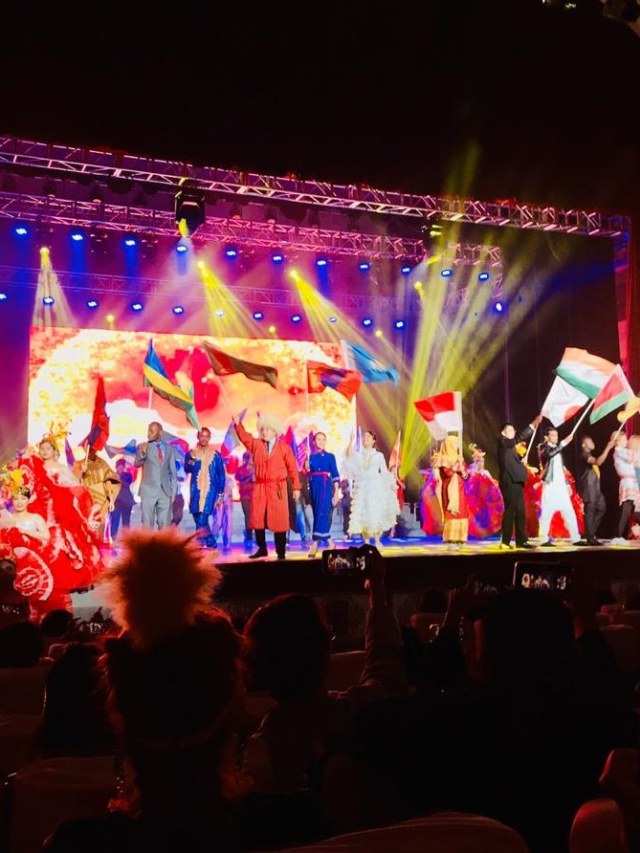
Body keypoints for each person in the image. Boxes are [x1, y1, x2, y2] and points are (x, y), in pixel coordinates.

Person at [232, 413, 301, 560]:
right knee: (258, 518)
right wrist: (238, 425)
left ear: (275, 431)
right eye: (262, 429)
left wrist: (296, 487)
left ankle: (281, 552)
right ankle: (262, 548)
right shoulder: (256, 444)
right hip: (260, 486)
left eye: (267, 429)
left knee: (279, 520)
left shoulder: (284, 448)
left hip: (277, 488)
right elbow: (245, 438)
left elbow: (293, 468)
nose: (264, 432)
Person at [344, 430, 399, 549]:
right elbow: (349, 456)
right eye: (364, 437)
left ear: (374, 440)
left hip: (375, 486)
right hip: (362, 486)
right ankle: (367, 541)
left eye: (368, 437)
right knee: (364, 513)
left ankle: (378, 540)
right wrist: (351, 440)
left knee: (375, 512)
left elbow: (384, 471)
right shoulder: (359, 455)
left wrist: (391, 483)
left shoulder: (379, 455)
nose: (366, 438)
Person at [496, 414, 543, 549]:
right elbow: (519, 438)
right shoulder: (503, 442)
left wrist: (522, 463)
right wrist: (533, 424)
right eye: (510, 430)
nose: (513, 433)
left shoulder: (510, 448)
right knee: (510, 510)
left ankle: (521, 540)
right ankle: (505, 541)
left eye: (513, 430)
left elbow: (513, 462)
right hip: (509, 481)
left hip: (516, 481)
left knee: (520, 512)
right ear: (503, 433)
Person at [536, 426, 581, 546]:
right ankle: (543, 539)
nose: (556, 437)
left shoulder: (557, 449)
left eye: (556, 435)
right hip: (550, 484)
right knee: (547, 512)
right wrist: (564, 443)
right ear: (546, 437)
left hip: (560, 485)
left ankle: (576, 538)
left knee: (569, 510)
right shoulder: (543, 447)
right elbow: (549, 454)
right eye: (553, 435)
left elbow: (560, 468)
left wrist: (567, 484)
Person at [183, 427, 225, 549]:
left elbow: (221, 475)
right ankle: (211, 543)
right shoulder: (191, 453)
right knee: (198, 518)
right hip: (195, 491)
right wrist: (193, 460)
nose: (204, 438)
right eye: (202, 436)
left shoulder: (215, 456)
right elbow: (187, 469)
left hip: (210, 492)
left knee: (202, 519)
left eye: (206, 436)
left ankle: (198, 545)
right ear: (198, 437)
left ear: (209, 438)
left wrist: (220, 494)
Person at [134, 422, 177, 531]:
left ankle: (162, 547)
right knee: (147, 524)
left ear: (160, 432)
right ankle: (148, 547)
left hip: (165, 491)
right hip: (148, 490)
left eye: (152, 431)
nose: (149, 433)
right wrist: (142, 453)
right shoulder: (144, 446)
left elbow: (173, 473)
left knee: (165, 525)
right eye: (148, 430)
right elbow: (137, 464)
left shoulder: (169, 449)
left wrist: (173, 492)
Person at [575, 434, 615, 545]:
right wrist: (608, 448)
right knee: (590, 511)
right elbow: (598, 462)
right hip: (588, 487)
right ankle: (590, 537)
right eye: (590, 441)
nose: (593, 443)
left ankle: (590, 532)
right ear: (584, 445)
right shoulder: (584, 455)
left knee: (601, 507)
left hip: (595, 487)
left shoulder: (588, 454)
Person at [433, 433, 469, 551]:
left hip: (460, 489)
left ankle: (461, 538)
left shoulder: (459, 457)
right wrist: (455, 467)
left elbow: (465, 476)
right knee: (452, 513)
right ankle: (451, 539)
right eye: (455, 443)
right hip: (450, 489)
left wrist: (463, 472)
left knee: (462, 512)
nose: (457, 445)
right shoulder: (443, 458)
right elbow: (447, 473)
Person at [76, 445, 120, 540]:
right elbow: (73, 481)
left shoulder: (102, 463)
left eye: (93, 447)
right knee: (87, 523)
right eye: (89, 446)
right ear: (84, 447)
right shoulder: (79, 463)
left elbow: (108, 480)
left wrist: (111, 499)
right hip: (86, 498)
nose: (91, 449)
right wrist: (81, 471)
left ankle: (99, 546)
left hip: (101, 498)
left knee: (100, 522)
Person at [307, 432, 340, 557]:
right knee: (317, 514)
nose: (321, 442)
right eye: (318, 439)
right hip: (314, 487)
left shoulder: (330, 456)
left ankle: (315, 544)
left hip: (326, 486)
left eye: (323, 440)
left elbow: (336, 474)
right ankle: (330, 542)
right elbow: (307, 473)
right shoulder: (310, 457)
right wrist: (306, 467)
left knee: (322, 512)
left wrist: (336, 492)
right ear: (314, 442)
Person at [611, 431, 640, 544]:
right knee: (626, 511)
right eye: (624, 440)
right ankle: (617, 535)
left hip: (632, 482)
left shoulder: (622, 451)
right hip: (627, 483)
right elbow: (633, 457)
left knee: (632, 511)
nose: (627, 442)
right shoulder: (619, 451)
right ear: (618, 441)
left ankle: (618, 534)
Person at [235, 451, 255, 549]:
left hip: (255, 496)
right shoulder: (240, 470)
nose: (249, 460)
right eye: (247, 458)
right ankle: (249, 537)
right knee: (248, 516)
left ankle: (250, 534)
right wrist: (249, 476)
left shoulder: (256, 469)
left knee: (254, 517)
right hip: (245, 496)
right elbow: (240, 479)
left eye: (250, 457)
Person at [110, 458, 135, 539]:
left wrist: (119, 478)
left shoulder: (128, 475)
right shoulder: (111, 475)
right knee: (114, 521)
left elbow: (127, 484)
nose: (120, 468)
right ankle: (113, 539)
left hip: (127, 502)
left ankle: (127, 539)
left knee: (126, 522)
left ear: (124, 467)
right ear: (116, 467)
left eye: (122, 466)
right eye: (119, 466)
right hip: (116, 502)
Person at [212, 465, 234, 551]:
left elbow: (227, 490)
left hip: (227, 503)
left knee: (227, 523)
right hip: (218, 503)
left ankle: (227, 544)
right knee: (217, 521)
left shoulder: (229, 480)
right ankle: (213, 540)